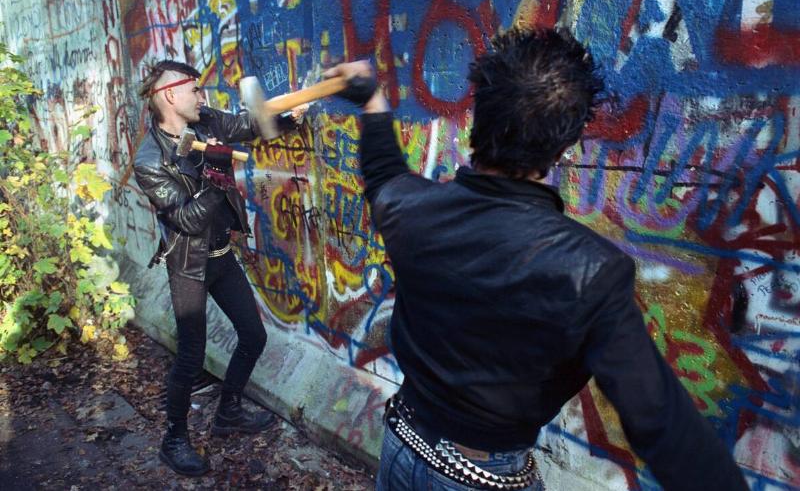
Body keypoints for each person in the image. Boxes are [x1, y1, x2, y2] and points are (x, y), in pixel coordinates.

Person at [324, 29, 748, 491]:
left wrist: (371, 100)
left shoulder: (409, 209)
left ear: (476, 117)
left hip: (401, 448)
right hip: (483, 477)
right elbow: (658, 421)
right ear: (564, 147)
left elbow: (383, 170)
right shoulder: (592, 270)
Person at [134, 60, 277, 476]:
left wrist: (285, 118)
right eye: (195, 90)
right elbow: (189, 221)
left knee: (254, 334)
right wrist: (215, 177)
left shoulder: (207, 122)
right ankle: (174, 438)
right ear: (170, 95)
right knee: (191, 356)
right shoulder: (150, 159)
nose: (203, 97)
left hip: (220, 256)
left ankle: (228, 411)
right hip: (189, 266)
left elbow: (250, 126)